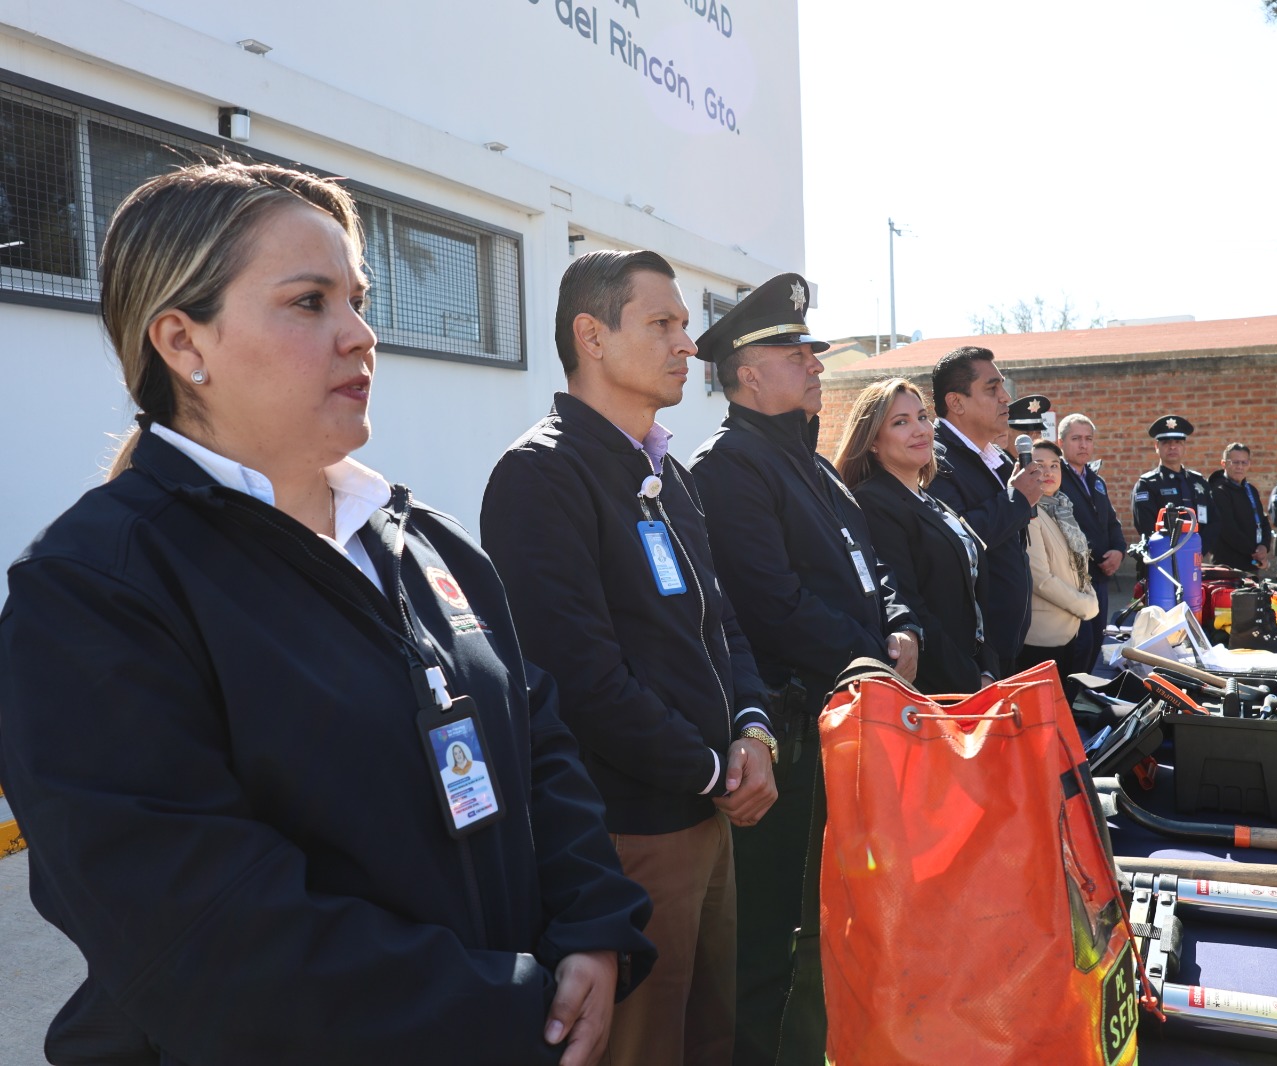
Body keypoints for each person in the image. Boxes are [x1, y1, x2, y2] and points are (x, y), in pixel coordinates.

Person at [0, 162, 653, 1066]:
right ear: (184, 344)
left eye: (357, 297)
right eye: (310, 302)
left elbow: (537, 743)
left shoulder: (427, 542)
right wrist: (508, 1011)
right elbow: (210, 938)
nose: (361, 336)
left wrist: (594, 928)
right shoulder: (94, 588)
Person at [480, 250, 779, 1066]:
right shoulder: (541, 474)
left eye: (684, 325)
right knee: (646, 1047)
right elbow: (579, 680)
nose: (689, 343)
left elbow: (723, 629)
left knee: (708, 1039)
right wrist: (712, 769)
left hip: (707, 814)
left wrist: (754, 733)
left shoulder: (666, 472)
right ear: (593, 336)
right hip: (631, 833)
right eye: (663, 323)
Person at [686, 273, 919, 1066]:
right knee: (772, 941)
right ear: (749, 372)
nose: (817, 364)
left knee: (831, 926)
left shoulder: (810, 463)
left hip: (848, 722)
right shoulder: (728, 467)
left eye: (814, 352)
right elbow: (772, 604)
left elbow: (868, 569)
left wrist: (898, 625)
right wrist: (866, 661)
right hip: (789, 734)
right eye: (797, 352)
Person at [837, 378, 996, 695]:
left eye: (923, 417)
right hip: (935, 688)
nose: (920, 429)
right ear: (872, 441)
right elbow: (909, 604)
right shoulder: (873, 503)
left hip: (974, 673)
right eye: (900, 422)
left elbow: (974, 596)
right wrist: (970, 681)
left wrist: (989, 669)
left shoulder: (929, 499)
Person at [927, 347, 1045, 676]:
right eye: (992, 389)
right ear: (956, 403)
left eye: (1002, 387)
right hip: (974, 655)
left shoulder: (996, 457)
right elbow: (956, 540)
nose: (1006, 397)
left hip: (1007, 643)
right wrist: (1017, 500)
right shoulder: (935, 460)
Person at [1017, 439, 1100, 678]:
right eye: (1039, 465)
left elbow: (1078, 566)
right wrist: (1085, 605)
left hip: (1069, 630)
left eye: (1055, 465)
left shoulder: (1062, 508)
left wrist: (1089, 596)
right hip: (1042, 637)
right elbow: (1040, 578)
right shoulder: (1029, 511)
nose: (1048, 471)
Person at [1055, 413, 1127, 675]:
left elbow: (1112, 523)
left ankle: (1081, 699)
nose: (1083, 445)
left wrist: (1119, 551)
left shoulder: (1096, 481)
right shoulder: (1056, 477)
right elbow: (1066, 526)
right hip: (1075, 577)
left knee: (1096, 642)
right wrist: (1099, 557)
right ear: (1061, 442)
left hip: (1100, 578)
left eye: (1088, 439)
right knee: (1078, 647)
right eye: (1076, 439)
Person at [1130, 414, 1211, 546]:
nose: (1172, 447)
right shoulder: (1147, 484)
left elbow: (1213, 521)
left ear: (1184, 445)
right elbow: (1146, 526)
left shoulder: (1198, 481)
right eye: (1166, 442)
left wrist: (1199, 549)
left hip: (1196, 555)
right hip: (1162, 556)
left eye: (1178, 442)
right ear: (1157, 446)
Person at [1206, 442, 1273, 572]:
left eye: (1244, 463)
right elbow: (1228, 529)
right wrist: (1255, 552)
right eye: (1235, 462)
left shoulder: (1251, 490)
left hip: (1252, 562)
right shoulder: (1218, 491)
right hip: (1227, 566)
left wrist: (1264, 546)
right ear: (1224, 464)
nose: (1240, 467)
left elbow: (1263, 520)